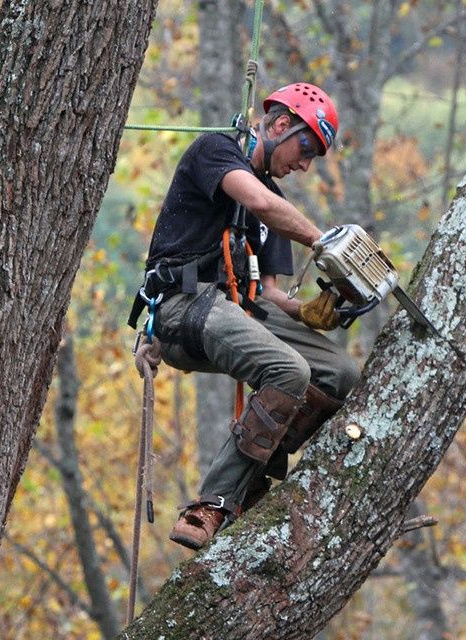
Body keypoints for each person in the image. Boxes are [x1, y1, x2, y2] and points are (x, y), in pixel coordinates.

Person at [128, 82, 360, 550]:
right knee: (288, 370)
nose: (304, 164)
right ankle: (213, 502)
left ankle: (251, 475)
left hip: (235, 310)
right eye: (305, 148)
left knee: (340, 373)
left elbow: (269, 293)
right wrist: (326, 243)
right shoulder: (215, 152)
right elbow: (259, 203)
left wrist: (307, 313)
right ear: (279, 125)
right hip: (181, 306)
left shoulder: (271, 199)